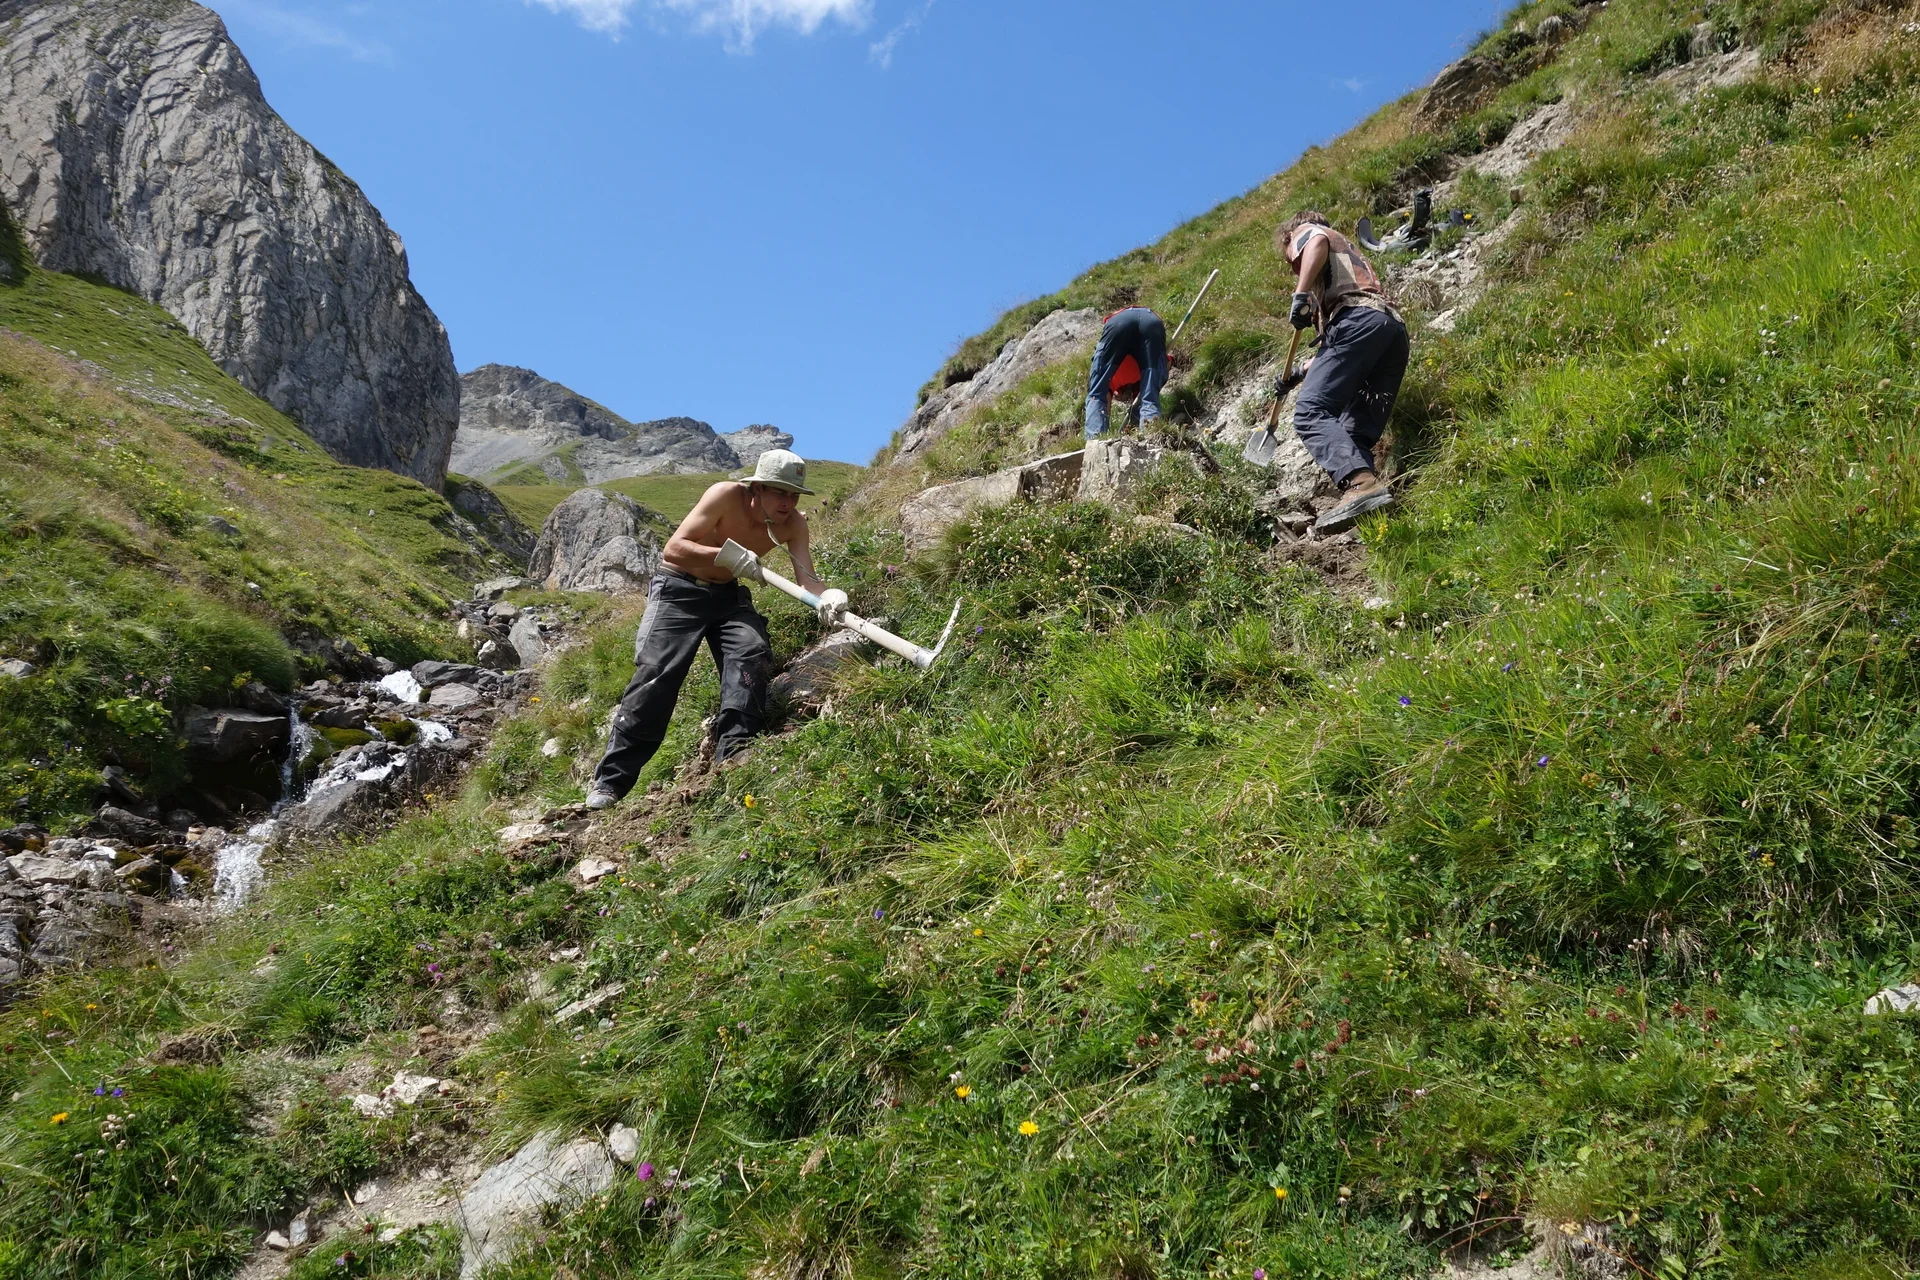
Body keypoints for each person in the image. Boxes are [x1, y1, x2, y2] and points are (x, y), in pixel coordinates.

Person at [582, 449, 846, 810]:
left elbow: (808, 581)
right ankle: (610, 783)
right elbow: (673, 549)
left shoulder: (794, 524)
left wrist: (829, 596)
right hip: (677, 589)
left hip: (728, 596)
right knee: (658, 672)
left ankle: (734, 755)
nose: (788, 502)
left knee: (750, 651)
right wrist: (725, 553)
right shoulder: (724, 495)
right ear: (758, 488)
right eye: (780, 492)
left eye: (794, 494)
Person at [1275, 210, 1409, 534]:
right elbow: (1345, 352)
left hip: (1356, 320)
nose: (1293, 262)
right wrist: (1299, 371)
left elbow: (1315, 239)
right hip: (1389, 329)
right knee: (1354, 432)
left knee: (1309, 412)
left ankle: (1361, 486)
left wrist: (1301, 292)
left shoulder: (1311, 233)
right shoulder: (1345, 260)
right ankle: (1369, 509)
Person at [1084, 306, 1169, 438]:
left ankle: (1096, 441)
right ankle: (1151, 437)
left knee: (1096, 394)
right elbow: (1166, 362)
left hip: (1119, 322)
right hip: (1151, 319)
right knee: (1150, 398)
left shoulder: (1111, 382)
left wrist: (1104, 431)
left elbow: (1102, 403)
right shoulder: (1139, 376)